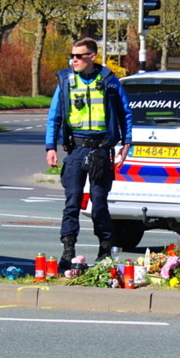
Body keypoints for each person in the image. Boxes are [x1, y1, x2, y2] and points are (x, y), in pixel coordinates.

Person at [45, 38, 133, 268]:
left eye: (79, 56)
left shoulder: (110, 81)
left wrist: (127, 143)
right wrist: (51, 147)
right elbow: (54, 116)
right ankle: (68, 252)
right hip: (75, 149)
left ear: (92, 57)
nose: (73, 60)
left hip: (102, 150)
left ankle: (104, 252)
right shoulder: (65, 81)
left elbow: (126, 113)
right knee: (72, 202)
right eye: (72, 55)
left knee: (99, 204)